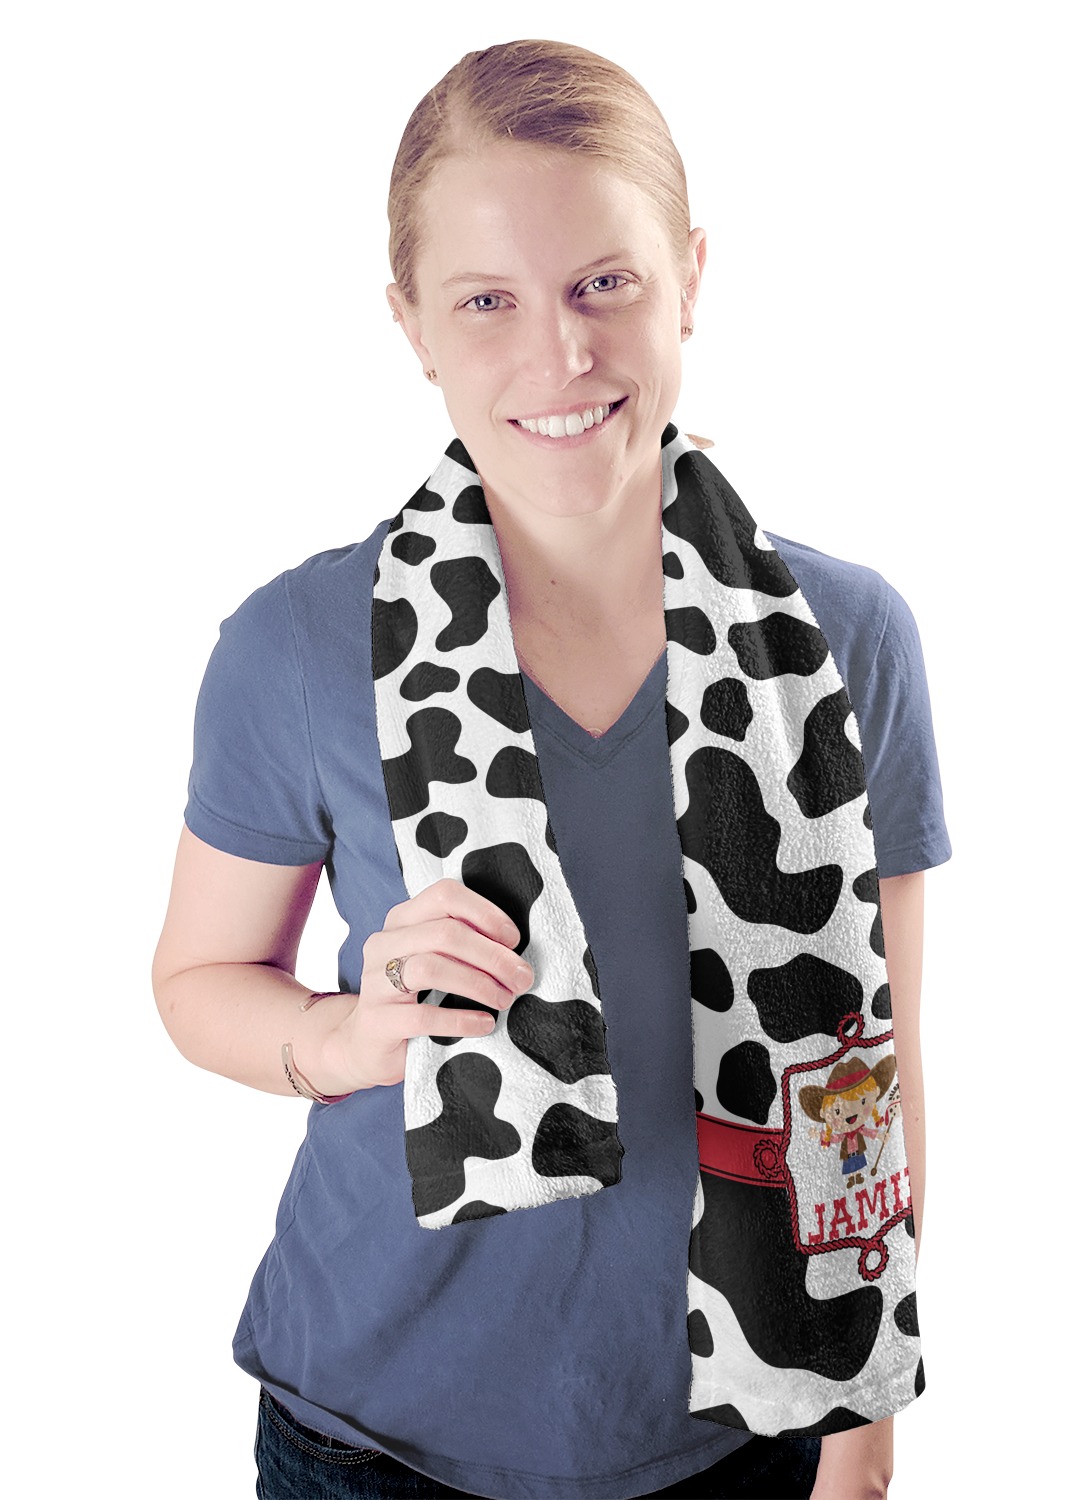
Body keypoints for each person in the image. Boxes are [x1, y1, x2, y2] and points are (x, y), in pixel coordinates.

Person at [152, 38, 952, 1500]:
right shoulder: (298, 644)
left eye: (605, 283)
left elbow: (880, 1062)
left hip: (740, 1422)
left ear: (689, 277)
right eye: (486, 300)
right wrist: (345, 1037)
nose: (560, 354)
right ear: (411, 322)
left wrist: (861, 1427)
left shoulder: (849, 637)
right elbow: (199, 982)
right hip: (368, 1432)